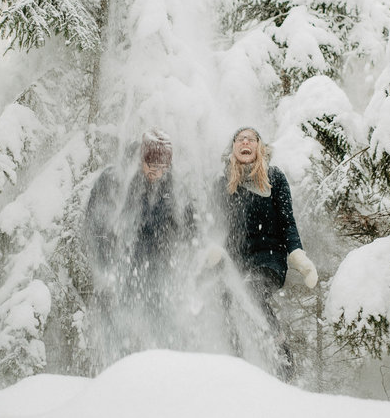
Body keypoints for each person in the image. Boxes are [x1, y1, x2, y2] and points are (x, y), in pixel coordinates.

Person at [213, 126, 318, 380]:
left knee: (251, 290)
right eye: (240, 139)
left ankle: (282, 361)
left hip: (269, 257)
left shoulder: (274, 177)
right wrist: (213, 249)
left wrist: (297, 254)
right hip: (237, 260)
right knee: (225, 300)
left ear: (259, 146)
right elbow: (216, 226)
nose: (245, 142)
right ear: (234, 147)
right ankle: (235, 365)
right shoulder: (223, 183)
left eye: (251, 138)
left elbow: (287, 221)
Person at [83, 128, 194, 357]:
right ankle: (118, 370)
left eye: (163, 167)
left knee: (163, 320)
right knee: (118, 322)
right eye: (151, 165)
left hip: (158, 267)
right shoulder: (115, 180)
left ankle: (167, 365)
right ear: (140, 159)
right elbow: (95, 225)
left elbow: (188, 223)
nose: (157, 172)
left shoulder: (173, 186)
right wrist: (105, 268)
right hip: (120, 265)